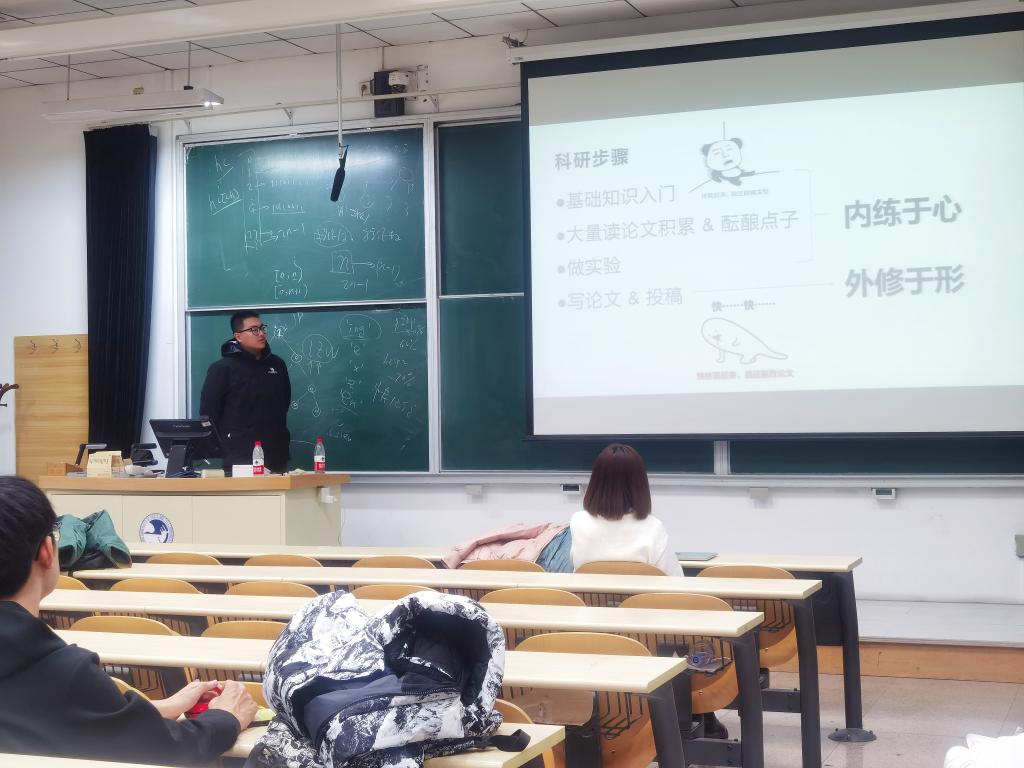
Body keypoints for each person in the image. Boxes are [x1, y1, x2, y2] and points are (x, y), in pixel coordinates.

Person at [0, 476, 258, 764]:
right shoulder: (65, 676)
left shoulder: (41, 673)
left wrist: (159, 707)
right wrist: (225, 716)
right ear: (47, 551)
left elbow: (57, 720)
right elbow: (171, 750)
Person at [569, 443, 684, 576]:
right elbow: (676, 580)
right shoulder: (653, 527)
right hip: (641, 591)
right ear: (640, 484)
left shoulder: (578, 521)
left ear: (595, 481)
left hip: (588, 591)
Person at [200, 310, 292, 473]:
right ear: (238, 336)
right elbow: (209, 412)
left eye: (262, 328)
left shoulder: (277, 364)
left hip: (276, 453)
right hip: (239, 455)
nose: (261, 333)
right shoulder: (223, 368)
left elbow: (284, 402)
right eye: (254, 330)